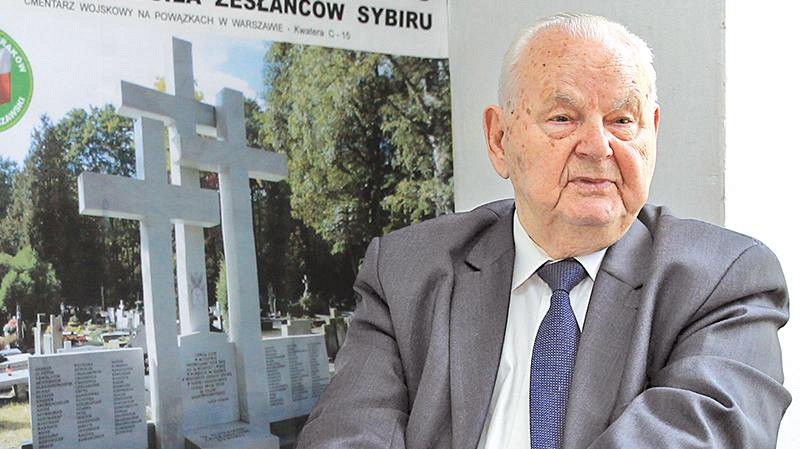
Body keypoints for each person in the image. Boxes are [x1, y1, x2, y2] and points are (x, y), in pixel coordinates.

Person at [296, 13, 790, 449]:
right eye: (563, 118)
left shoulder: (722, 280)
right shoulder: (406, 272)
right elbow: (348, 431)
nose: (598, 146)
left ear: (652, 132)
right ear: (499, 139)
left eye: (622, 120)